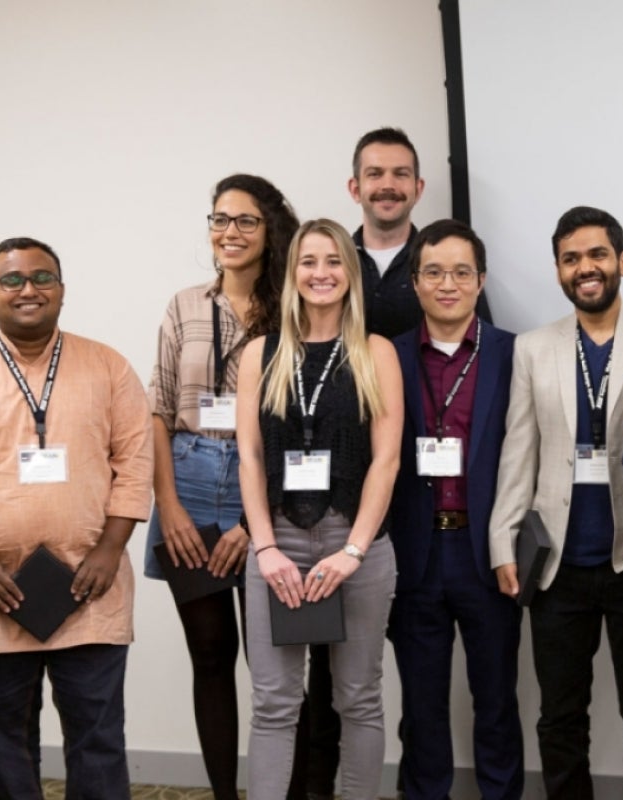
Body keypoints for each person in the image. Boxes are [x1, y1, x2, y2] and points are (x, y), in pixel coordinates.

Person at [490, 205, 623, 800]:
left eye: (596, 255)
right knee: (560, 718)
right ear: (559, 271)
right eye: (571, 259)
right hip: (557, 564)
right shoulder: (534, 348)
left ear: (621, 260)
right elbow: (520, 451)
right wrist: (502, 542)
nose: (585, 268)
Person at [144, 174, 299, 800]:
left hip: (264, 480)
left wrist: (249, 525)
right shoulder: (184, 304)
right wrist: (170, 506)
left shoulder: (293, 307)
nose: (229, 232)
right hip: (189, 476)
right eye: (219, 219)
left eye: (245, 221)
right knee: (210, 652)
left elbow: (301, 420)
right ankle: (226, 795)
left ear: (269, 231)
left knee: (281, 665)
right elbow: (157, 410)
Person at [236, 218, 402, 800]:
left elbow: (386, 462)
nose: (321, 273)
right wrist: (266, 550)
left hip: (355, 548)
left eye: (334, 261)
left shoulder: (376, 352)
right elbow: (251, 459)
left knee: (357, 698)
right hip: (277, 545)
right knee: (274, 703)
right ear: (292, 272)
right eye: (309, 261)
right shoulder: (262, 353)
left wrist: (352, 552)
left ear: (350, 273)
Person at [0, 237, 153, 799]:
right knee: (1, 740)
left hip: (90, 588)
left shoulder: (107, 366)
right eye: (12, 280)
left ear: (62, 290)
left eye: (42, 277)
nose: (28, 289)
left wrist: (108, 551)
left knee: (97, 737)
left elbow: (135, 461)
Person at [389, 219, 523, 799]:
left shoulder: (513, 354)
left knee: (495, 699)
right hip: (412, 553)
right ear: (415, 282)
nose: (448, 284)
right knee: (422, 706)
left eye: (461, 272)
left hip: (487, 555)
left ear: (481, 281)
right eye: (434, 272)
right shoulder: (386, 357)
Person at [347, 126, 492, 338]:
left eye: (400, 174)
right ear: (355, 189)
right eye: (375, 174)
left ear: (418, 188)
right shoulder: (335, 264)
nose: (388, 185)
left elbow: (483, 344)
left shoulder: (452, 262)